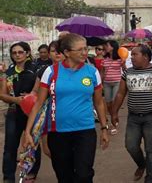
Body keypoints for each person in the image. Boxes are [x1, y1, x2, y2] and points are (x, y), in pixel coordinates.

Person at [24, 33, 109, 183]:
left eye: (86, 49)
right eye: (80, 50)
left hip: (85, 130)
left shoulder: (92, 72)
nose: (85, 53)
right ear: (67, 52)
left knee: (84, 174)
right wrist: (28, 132)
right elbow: (38, 103)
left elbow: (99, 102)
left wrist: (104, 128)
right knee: (64, 176)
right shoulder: (51, 72)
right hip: (58, 133)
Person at [111, 45, 152, 182]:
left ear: (145, 57)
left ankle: (150, 177)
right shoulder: (127, 73)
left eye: (135, 55)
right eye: (131, 55)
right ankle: (141, 164)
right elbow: (121, 93)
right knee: (131, 145)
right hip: (133, 117)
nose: (131, 57)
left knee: (151, 148)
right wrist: (114, 112)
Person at [0, 42, 41, 183]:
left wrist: (30, 97)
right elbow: (2, 95)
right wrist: (17, 100)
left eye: (20, 52)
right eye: (14, 53)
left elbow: (41, 92)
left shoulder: (36, 70)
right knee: (10, 146)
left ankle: (31, 173)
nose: (17, 55)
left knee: (32, 144)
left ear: (27, 53)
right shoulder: (8, 72)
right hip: (13, 112)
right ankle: (8, 177)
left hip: (32, 113)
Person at [32, 40, 65, 158]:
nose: (57, 53)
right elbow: (35, 91)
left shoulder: (73, 71)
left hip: (65, 113)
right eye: (53, 51)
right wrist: (28, 97)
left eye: (59, 51)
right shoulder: (45, 71)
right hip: (47, 113)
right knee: (48, 149)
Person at [101, 40, 123, 135]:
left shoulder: (119, 59)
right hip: (106, 83)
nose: (106, 47)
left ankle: (114, 125)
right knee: (108, 104)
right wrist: (100, 83)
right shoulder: (104, 59)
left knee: (114, 103)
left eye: (107, 45)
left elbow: (125, 70)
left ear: (113, 47)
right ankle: (114, 117)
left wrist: (124, 63)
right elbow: (102, 72)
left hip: (117, 82)